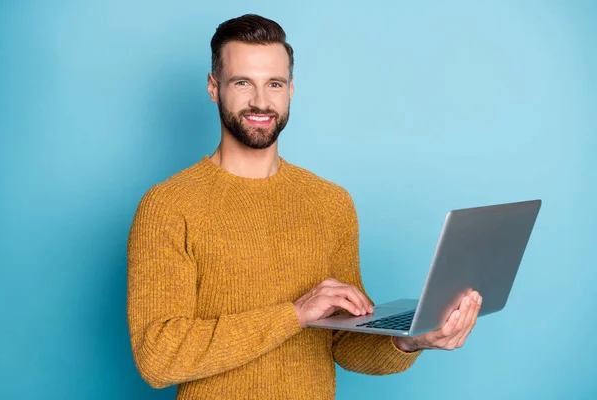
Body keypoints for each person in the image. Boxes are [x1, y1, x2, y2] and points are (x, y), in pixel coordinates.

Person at [127, 14, 482, 400]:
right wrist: (294, 314)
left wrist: (411, 340)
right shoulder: (168, 205)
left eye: (274, 84)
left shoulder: (330, 202)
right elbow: (158, 358)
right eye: (243, 82)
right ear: (214, 88)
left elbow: (343, 344)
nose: (261, 101)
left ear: (291, 89)